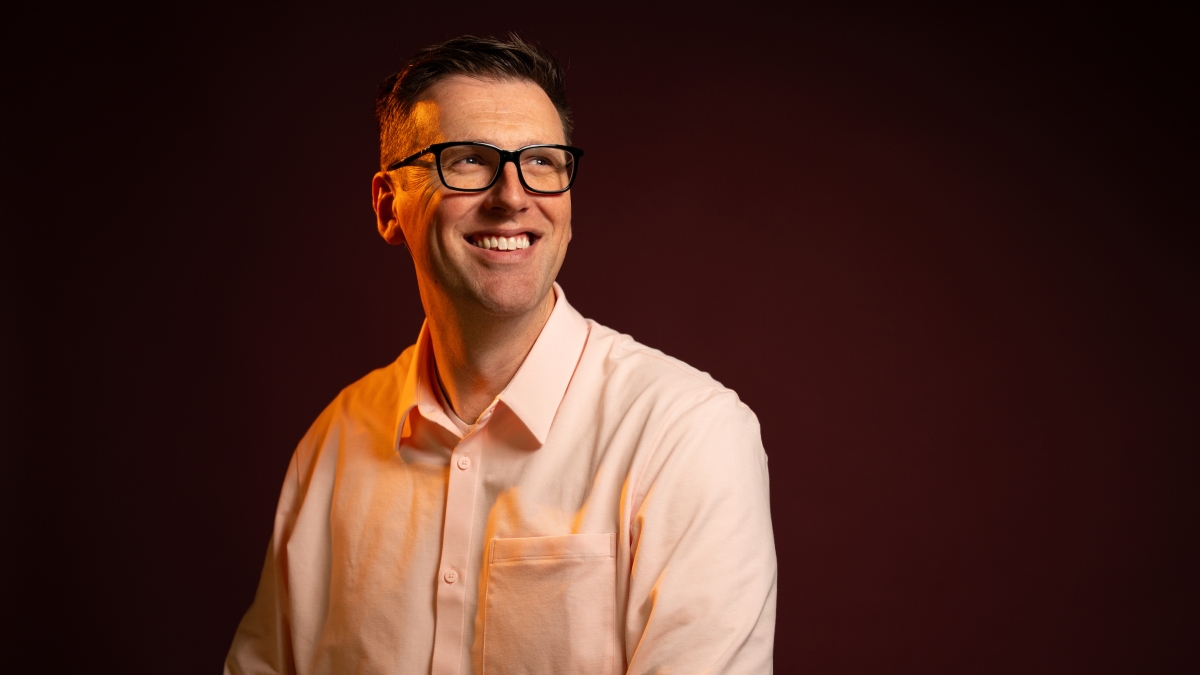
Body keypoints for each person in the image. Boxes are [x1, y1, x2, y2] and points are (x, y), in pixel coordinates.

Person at [225, 35, 776, 675]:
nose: (513, 196)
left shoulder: (687, 434)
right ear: (386, 205)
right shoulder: (333, 445)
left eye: (541, 161)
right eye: (466, 161)